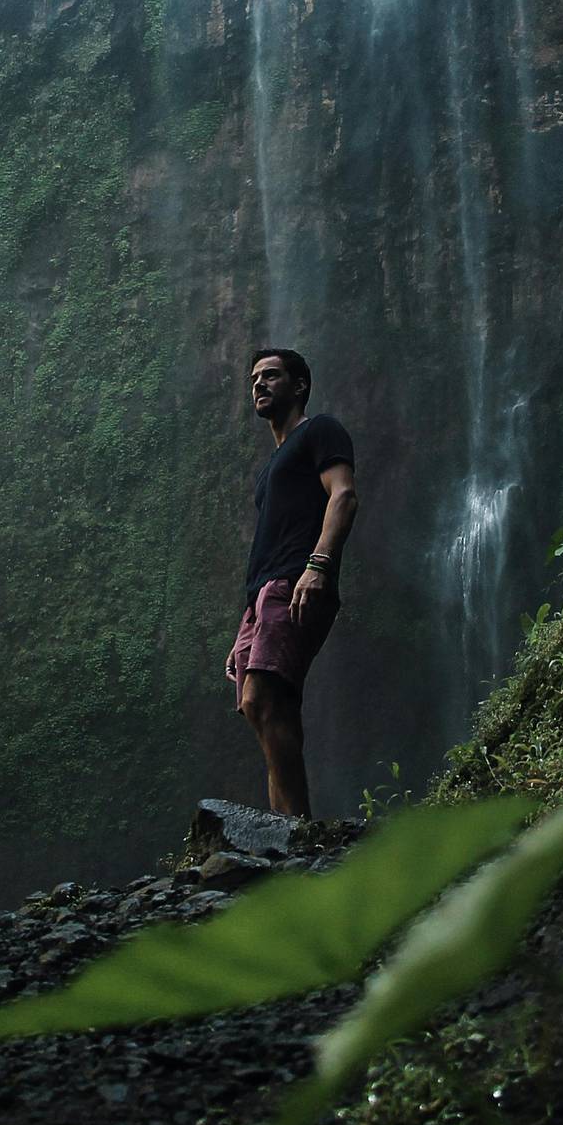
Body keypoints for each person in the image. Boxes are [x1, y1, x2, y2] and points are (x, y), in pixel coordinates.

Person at [224, 347, 358, 817]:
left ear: (299, 385)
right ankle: (285, 832)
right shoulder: (268, 472)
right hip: (263, 597)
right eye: (254, 378)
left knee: (263, 699)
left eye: (271, 375)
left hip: (294, 582)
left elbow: (343, 496)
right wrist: (247, 624)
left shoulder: (320, 431)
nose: (258, 384)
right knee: (264, 711)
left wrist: (318, 565)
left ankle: (297, 832)